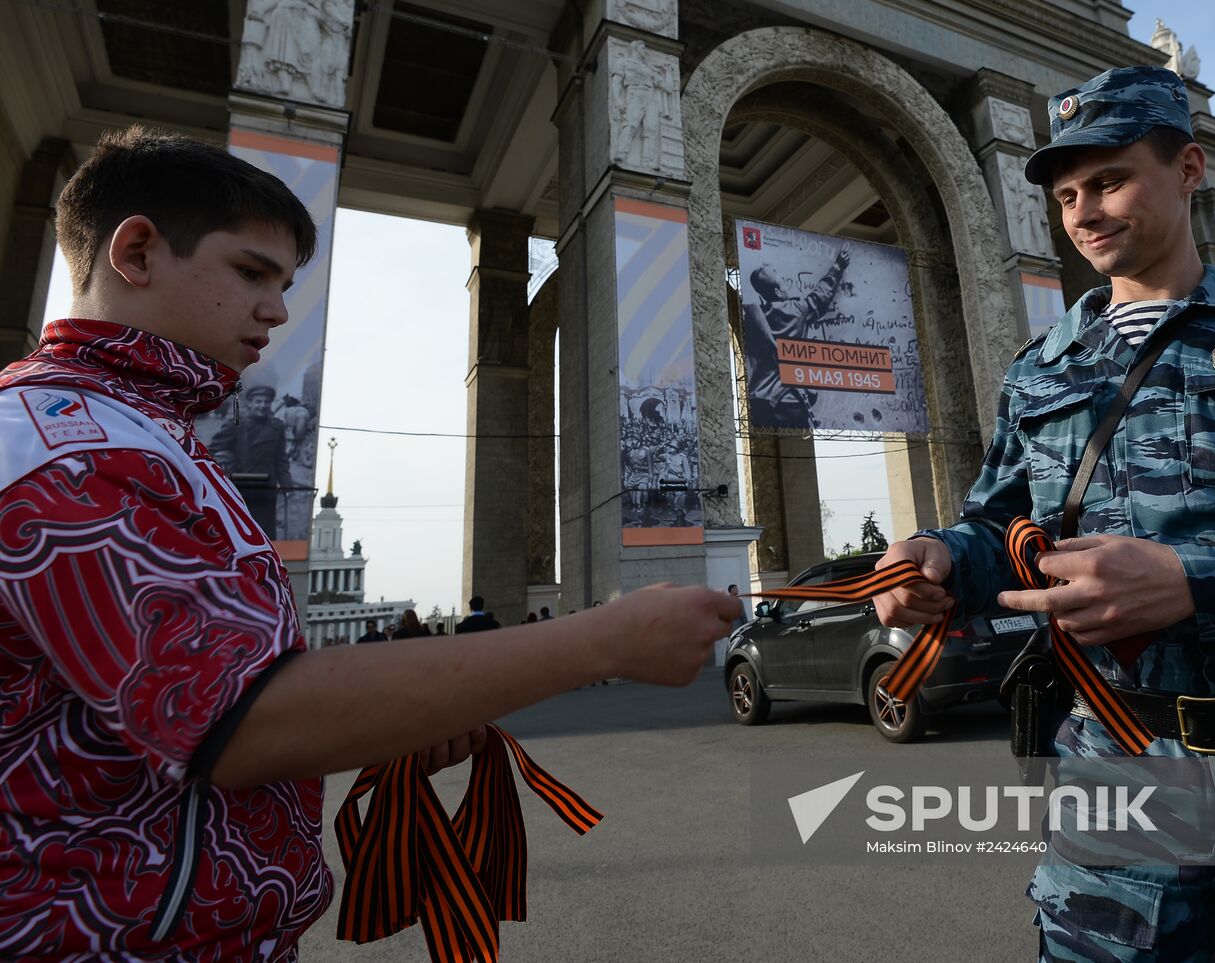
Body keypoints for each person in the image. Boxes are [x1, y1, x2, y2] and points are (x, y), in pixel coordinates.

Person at [0, 126, 742, 959]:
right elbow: (240, 722)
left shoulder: (153, 438)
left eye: (285, 283)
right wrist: (605, 637)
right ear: (135, 251)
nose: (279, 309)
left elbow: (173, 722)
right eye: (252, 273)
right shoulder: (61, 451)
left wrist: (389, 720)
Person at [872, 66, 1215, 961]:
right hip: (1113, 755)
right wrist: (939, 562)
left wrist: (1202, 581)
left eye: (1111, 180)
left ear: (1190, 168)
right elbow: (1008, 533)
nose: (1083, 211)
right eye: (1068, 193)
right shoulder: (1039, 371)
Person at [741, 247, 850, 428]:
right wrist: (838, 266)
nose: (787, 284)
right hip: (790, 402)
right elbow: (820, 296)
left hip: (759, 401)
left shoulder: (752, 319)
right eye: (783, 282)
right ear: (777, 292)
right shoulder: (796, 310)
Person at [208, 382, 292, 536]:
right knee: (239, 531)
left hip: (266, 487)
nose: (262, 406)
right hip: (240, 486)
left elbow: (281, 459)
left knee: (265, 532)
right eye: (258, 402)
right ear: (250, 403)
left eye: (266, 402)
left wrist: (287, 484)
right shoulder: (237, 424)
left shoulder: (277, 426)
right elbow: (213, 449)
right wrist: (226, 464)